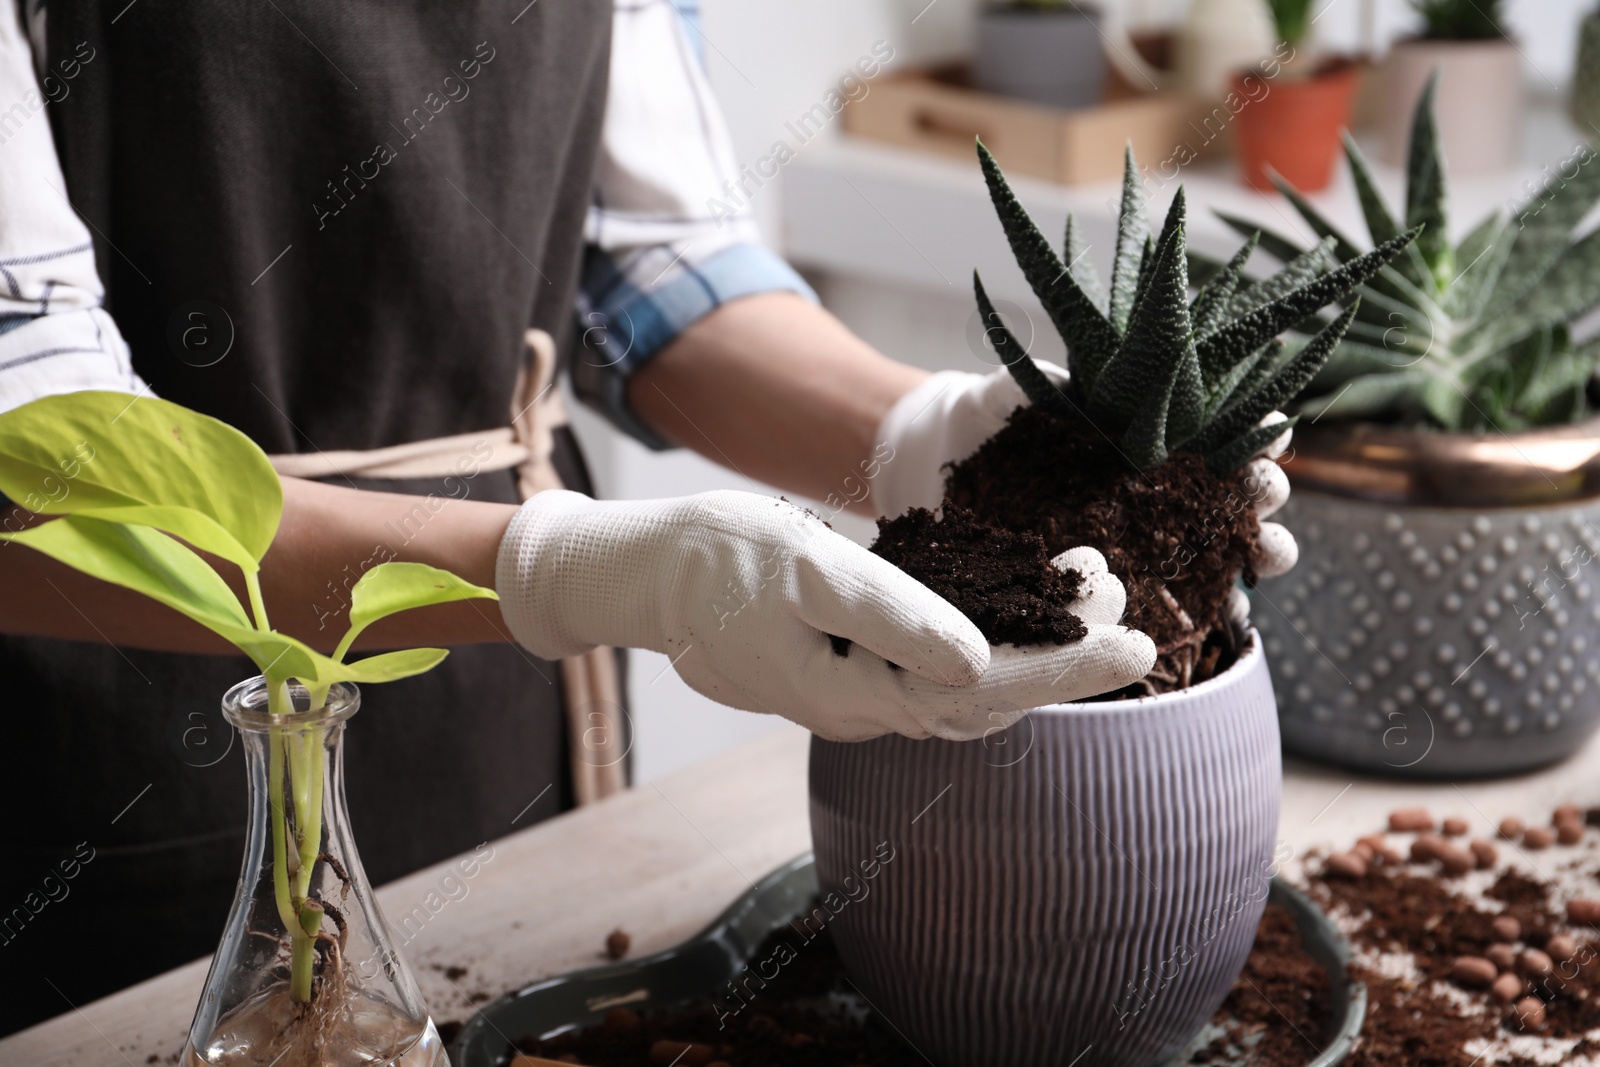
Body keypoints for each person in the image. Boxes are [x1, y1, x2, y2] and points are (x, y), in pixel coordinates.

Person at [0, 0, 1291, 1035]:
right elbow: (35, 447)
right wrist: (592, 575)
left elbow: (650, 273)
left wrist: (933, 442)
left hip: (506, 696)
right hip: (122, 734)